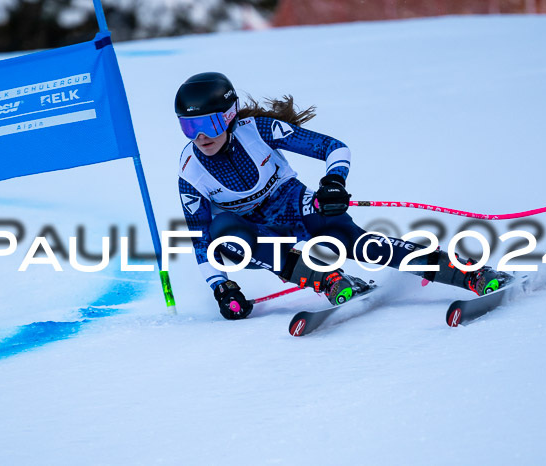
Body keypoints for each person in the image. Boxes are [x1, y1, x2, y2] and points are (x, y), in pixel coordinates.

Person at [174, 72, 511, 320]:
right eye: (190, 128)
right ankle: (328, 279)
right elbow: (200, 238)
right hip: (257, 231)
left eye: (210, 123)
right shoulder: (190, 170)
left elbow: (334, 148)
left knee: (358, 245)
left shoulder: (260, 130)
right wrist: (221, 286)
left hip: (295, 205)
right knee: (223, 236)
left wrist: (333, 183)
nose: (201, 137)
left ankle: (469, 274)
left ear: (230, 115)